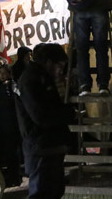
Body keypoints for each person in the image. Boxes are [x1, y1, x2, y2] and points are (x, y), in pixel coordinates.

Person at [15, 43, 72, 198]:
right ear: (49, 63)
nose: (61, 71)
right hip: (41, 147)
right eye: (60, 66)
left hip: (49, 146)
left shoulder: (42, 78)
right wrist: (68, 113)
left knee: (54, 191)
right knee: (42, 193)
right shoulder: (31, 80)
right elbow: (41, 115)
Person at [0, 63, 21, 186]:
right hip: (5, 122)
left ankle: (14, 177)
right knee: (9, 150)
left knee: (12, 151)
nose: (2, 75)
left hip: (11, 123)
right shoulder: (1, 86)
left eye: (5, 73)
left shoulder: (11, 86)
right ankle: (13, 175)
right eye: (0, 73)